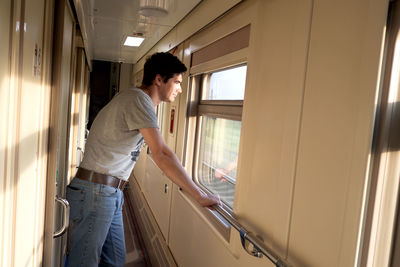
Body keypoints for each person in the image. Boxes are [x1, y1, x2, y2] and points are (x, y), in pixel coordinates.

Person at [66, 52, 221, 267]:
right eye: (177, 82)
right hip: (97, 193)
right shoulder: (139, 100)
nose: (180, 88)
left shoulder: (135, 99)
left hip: (109, 193)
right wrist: (199, 194)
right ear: (159, 79)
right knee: (83, 262)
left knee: (115, 261)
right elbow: (162, 153)